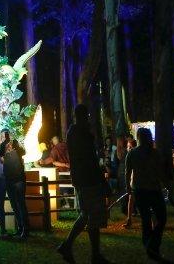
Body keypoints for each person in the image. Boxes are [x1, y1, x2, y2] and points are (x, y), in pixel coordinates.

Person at [57, 105, 109, 264]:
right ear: (83, 116)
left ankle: (69, 246)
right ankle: (94, 255)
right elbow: (90, 159)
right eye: (87, 115)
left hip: (82, 179)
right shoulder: (81, 133)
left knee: (86, 215)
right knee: (92, 216)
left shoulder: (73, 132)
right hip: (88, 179)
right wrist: (102, 180)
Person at [125, 127, 169, 261]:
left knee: (146, 219)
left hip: (141, 190)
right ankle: (152, 245)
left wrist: (128, 186)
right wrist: (166, 183)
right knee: (160, 218)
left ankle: (150, 244)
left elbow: (127, 172)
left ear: (138, 138)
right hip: (152, 189)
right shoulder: (153, 153)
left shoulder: (134, 153)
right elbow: (160, 171)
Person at [3, 139, 28, 239]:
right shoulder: (11, 154)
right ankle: (21, 228)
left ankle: (24, 229)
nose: (8, 146)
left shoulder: (14, 154)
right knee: (17, 205)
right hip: (14, 181)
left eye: (9, 144)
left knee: (20, 205)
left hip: (16, 181)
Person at [123, 136, 138, 228]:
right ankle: (129, 219)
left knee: (132, 200)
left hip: (136, 181)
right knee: (131, 200)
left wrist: (128, 185)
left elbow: (127, 171)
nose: (127, 148)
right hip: (134, 181)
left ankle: (129, 220)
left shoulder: (132, 154)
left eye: (128, 146)